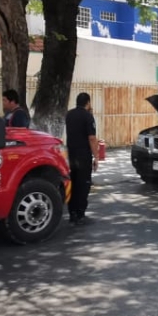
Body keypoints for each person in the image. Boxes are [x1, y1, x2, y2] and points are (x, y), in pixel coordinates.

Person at [65, 92, 100, 224]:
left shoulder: (69, 114)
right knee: (83, 184)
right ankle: (80, 213)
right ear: (88, 102)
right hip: (83, 156)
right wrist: (96, 157)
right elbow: (91, 138)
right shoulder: (88, 116)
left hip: (71, 155)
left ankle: (72, 212)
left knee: (73, 183)